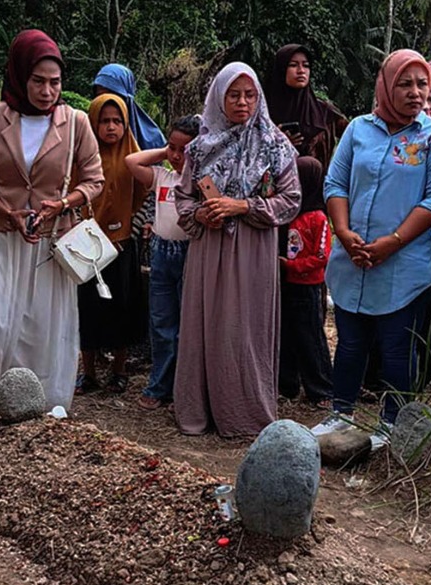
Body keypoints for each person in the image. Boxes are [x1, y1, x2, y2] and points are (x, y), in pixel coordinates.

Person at [314, 49, 431, 449]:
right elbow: (335, 184)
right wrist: (343, 232)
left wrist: (390, 243)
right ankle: (339, 414)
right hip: (352, 258)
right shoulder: (359, 129)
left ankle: (391, 424)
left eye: (422, 84)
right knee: (350, 342)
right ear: (385, 86)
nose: (415, 93)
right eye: (404, 83)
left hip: (403, 265)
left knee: (397, 348)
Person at [0, 29, 103, 412]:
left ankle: (35, 403)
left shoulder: (74, 122)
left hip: (48, 240)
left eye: (55, 82)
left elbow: (94, 179)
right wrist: (6, 210)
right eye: (38, 81)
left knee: (40, 326)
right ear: (19, 76)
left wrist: (61, 204)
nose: (47, 91)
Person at [174, 62, 301, 438]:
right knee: (205, 323)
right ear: (219, 97)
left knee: (245, 326)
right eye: (233, 95)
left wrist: (243, 206)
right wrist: (201, 213)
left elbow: (291, 200)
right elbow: (182, 197)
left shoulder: (276, 145)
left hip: (253, 248)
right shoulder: (199, 148)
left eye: (249, 95)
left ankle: (244, 413)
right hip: (209, 247)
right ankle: (201, 409)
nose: (242, 102)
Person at [76, 94, 150, 394]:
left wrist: (131, 230)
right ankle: (89, 373)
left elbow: (146, 195)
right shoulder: (80, 158)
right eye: (104, 121)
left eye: (117, 121)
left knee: (122, 307)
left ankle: (119, 370)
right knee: (88, 309)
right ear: (93, 123)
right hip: (86, 246)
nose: (111, 127)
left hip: (122, 245)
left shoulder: (134, 156)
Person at [128, 114, 202, 409]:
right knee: (161, 323)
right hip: (161, 252)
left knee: (187, 326)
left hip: (189, 254)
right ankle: (159, 385)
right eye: (173, 148)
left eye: (185, 151)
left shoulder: (200, 183)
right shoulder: (162, 176)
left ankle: (183, 389)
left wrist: (191, 155)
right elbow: (132, 161)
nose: (177, 156)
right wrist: (167, 150)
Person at [279, 155, 335, 405]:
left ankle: (321, 389)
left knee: (311, 336)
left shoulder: (318, 217)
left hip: (308, 286)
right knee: (287, 334)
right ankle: (287, 384)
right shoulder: (289, 212)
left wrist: (293, 265)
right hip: (286, 284)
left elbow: (322, 255)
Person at [264, 43, 349, 168]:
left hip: (317, 184)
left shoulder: (324, 111)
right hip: (275, 184)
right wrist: (278, 144)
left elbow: (357, 136)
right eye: (293, 65)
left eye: (306, 65)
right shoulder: (263, 112)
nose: (301, 71)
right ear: (281, 69)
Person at [92, 62, 166, 150]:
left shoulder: (152, 140)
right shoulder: (83, 134)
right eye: (100, 96)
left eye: (114, 95)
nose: (107, 100)